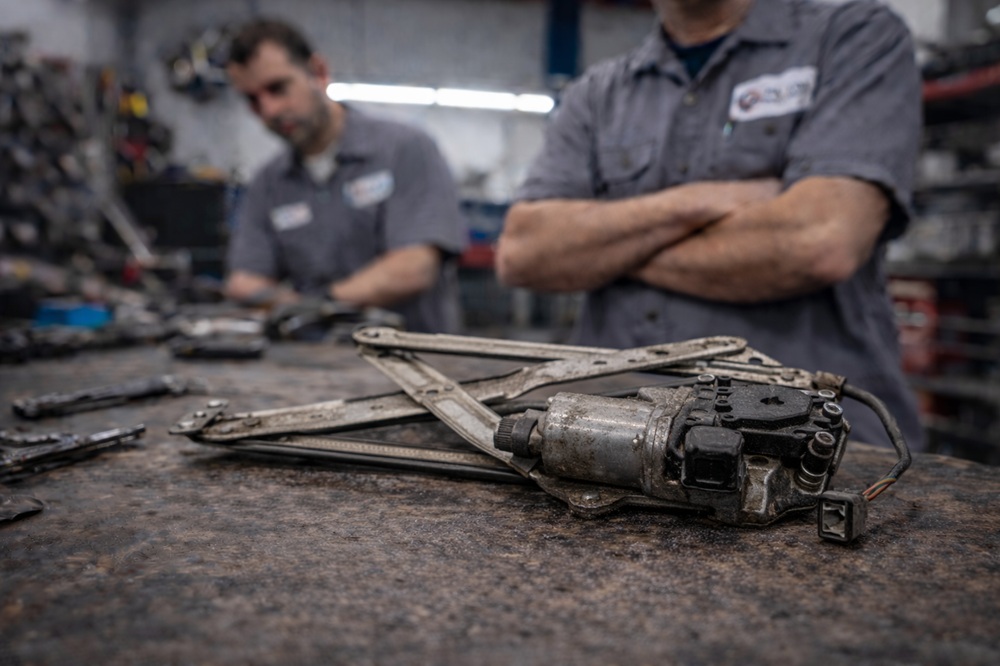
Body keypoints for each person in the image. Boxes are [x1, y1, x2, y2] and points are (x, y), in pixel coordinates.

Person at [495, 0, 924, 449]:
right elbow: (524, 255)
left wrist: (601, 250)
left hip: (810, 439)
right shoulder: (598, 93)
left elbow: (819, 242)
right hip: (613, 432)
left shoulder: (851, 37)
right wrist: (703, 201)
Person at [224, 19, 466, 333]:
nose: (269, 111)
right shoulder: (267, 184)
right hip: (310, 358)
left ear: (319, 72)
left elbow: (414, 267)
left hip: (413, 355)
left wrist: (318, 306)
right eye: (253, 100)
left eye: (278, 88)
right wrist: (294, 306)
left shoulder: (404, 150)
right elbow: (244, 280)